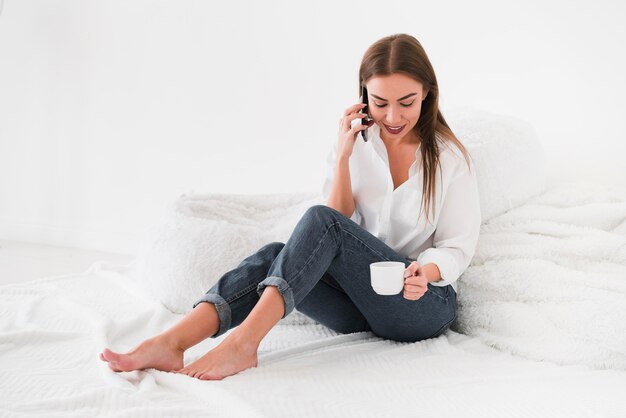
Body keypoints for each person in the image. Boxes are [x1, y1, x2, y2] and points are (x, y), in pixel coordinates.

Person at [99, 33, 481, 381]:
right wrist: (345, 156)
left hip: (421, 304)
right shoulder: (356, 143)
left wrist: (426, 273)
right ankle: (173, 342)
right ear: (363, 95)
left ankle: (243, 344)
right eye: (380, 103)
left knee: (316, 224)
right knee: (275, 257)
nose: (393, 117)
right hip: (361, 308)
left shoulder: (449, 159)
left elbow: (457, 248)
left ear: (428, 94)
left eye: (406, 102)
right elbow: (337, 225)